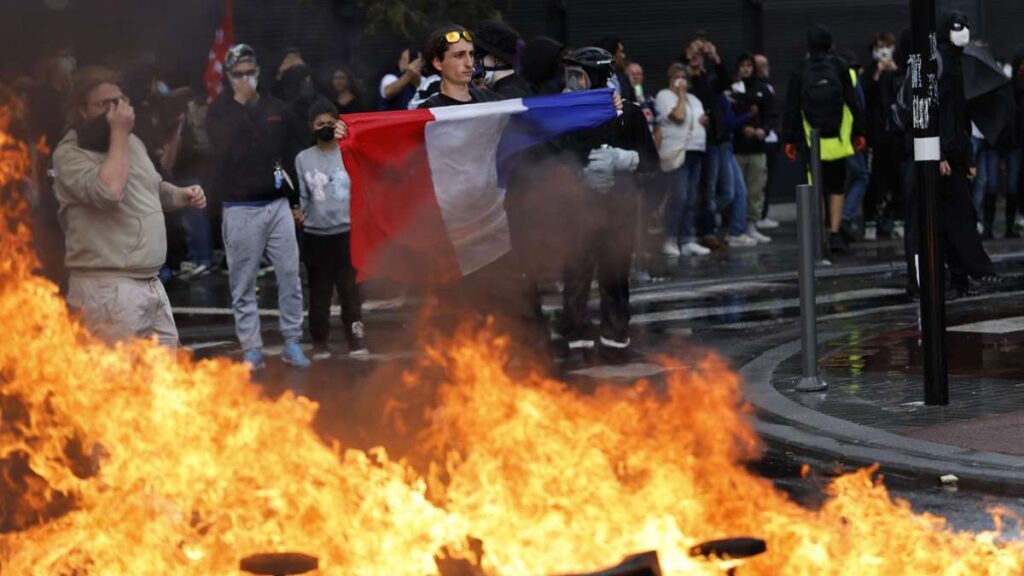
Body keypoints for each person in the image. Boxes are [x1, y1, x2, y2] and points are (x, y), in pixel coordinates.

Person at [52, 67, 206, 348]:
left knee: (165, 383)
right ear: (81, 111)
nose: (115, 111)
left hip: (150, 284)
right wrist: (119, 133)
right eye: (104, 104)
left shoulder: (130, 142)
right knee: (113, 385)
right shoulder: (69, 154)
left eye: (119, 101)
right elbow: (110, 190)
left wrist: (181, 195)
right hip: (106, 290)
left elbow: (151, 188)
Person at [206, 44, 310, 370]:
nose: (245, 79)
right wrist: (240, 104)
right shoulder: (218, 112)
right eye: (238, 74)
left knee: (291, 275)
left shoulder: (276, 108)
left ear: (259, 72)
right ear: (228, 76)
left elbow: (293, 152)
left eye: (250, 73)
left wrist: (295, 202)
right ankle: (252, 347)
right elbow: (225, 153)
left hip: (276, 203)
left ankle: (292, 341)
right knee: (243, 282)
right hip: (239, 207)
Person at [558, 46, 659, 361]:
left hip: (619, 211)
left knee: (615, 274)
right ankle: (577, 341)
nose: (572, 83)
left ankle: (615, 341)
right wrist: (579, 174)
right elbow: (551, 157)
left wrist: (624, 159)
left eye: (579, 76)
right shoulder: (565, 114)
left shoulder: (628, 112)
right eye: (570, 76)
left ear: (597, 77)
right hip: (579, 210)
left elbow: (651, 163)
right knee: (576, 273)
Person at [783, 25, 866, 255]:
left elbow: (791, 106)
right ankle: (835, 232)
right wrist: (860, 132)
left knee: (815, 186)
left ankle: (817, 234)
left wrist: (788, 139)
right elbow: (852, 102)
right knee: (837, 186)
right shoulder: (840, 66)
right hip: (837, 139)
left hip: (811, 139)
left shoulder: (800, 69)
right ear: (830, 44)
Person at [295, 99, 367, 359]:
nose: (325, 127)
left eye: (330, 123)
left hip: (348, 234)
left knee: (350, 292)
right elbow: (301, 195)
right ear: (311, 127)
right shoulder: (303, 158)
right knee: (319, 293)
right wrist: (297, 211)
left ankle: (356, 341)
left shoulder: (349, 150)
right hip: (317, 236)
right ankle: (320, 343)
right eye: (319, 124)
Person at [656, 63, 709, 257]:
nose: (681, 81)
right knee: (678, 196)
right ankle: (669, 238)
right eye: (677, 77)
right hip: (678, 152)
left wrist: (704, 121)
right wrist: (679, 95)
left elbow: (701, 118)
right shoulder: (664, 96)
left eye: (684, 77)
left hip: (696, 150)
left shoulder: (693, 99)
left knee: (691, 197)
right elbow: (678, 116)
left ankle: (688, 239)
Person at [861, 32, 905, 241]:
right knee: (875, 181)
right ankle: (870, 220)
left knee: (897, 179)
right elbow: (865, 99)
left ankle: (897, 219)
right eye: (880, 48)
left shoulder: (899, 69)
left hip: (895, 135)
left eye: (887, 47)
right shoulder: (869, 72)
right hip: (876, 136)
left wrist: (895, 71)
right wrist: (876, 74)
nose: (884, 52)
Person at [732, 52, 776, 244]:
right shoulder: (733, 90)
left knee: (756, 189)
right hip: (737, 148)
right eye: (742, 65)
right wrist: (743, 129)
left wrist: (763, 131)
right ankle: (736, 227)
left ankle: (752, 225)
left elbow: (771, 115)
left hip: (757, 148)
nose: (746, 69)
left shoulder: (762, 89)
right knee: (737, 191)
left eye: (749, 66)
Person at [753, 53, 781, 230]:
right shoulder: (754, 89)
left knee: (767, 179)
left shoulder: (768, 87)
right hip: (760, 138)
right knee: (758, 180)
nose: (767, 69)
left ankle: (763, 213)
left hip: (771, 138)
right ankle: (757, 215)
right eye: (762, 66)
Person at [472, 20, 532, 98]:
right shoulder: (526, 85)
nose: (473, 61)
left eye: (479, 55)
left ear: (495, 60)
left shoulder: (502, 96)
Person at [379, 47, 423, 111]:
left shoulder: (427, 80)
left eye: (415, 61)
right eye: (407, 61)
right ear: (400, 63)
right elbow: (388, 92)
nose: (412, 65)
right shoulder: (391, 78)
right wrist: (408, 75)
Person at [595, 37, 632, 101]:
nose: (624, 56)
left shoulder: (623, 77)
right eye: (620, 52)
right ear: (612, 55)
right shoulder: (597, 79)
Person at [626, 61, 657, 133]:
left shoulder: (649, 99)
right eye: (632, 74)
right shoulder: (621, 98)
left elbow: (657, 125)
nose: (635, 77)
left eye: (638, 74)